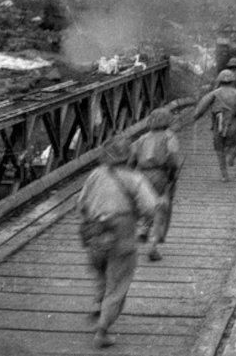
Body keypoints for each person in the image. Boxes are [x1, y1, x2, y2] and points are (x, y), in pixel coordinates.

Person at [77, 138, 159, 349]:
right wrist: (143, 221)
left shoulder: (95, 174)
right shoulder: (134, 178)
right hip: (121, 230)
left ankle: (99, 304)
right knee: (119, 279)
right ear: (129, 155)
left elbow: (81, 204)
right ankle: (102, 331)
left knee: (100, 270)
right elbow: (150, 207)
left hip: (94, 230)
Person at [129, 108, 181, 262]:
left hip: (141, 174)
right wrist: (172, 175)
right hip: (161, 174)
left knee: (144, 203)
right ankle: (153, 246)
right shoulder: (169, 137)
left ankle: (144, 227)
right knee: (161, 208)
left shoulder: (142, 138)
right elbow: (172, 158)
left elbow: (131, 160)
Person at [193, 70, 236, 181]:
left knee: (219, 150)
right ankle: (231, 155)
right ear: (233, 81)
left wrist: (197, 116)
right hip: (232, 124)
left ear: (220, 81)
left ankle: (224, 175)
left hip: (217, 125)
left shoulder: (215, 93)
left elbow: (203, 105)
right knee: (234, 144)